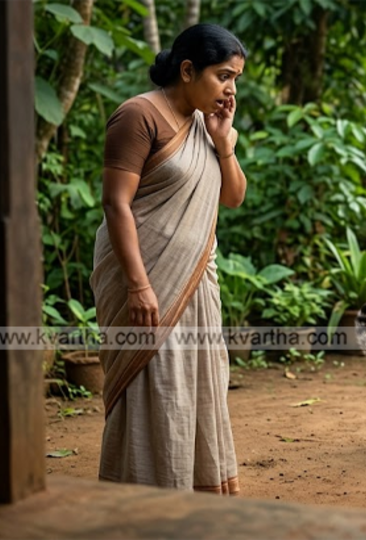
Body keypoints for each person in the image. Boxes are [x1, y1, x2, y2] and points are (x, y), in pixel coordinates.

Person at [90, 24, 248, 494]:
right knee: (154, 388)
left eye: (235, 78)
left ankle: (195, 497)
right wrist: (139, 284)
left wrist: (223, 143)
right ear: (187, 70)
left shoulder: (207, 123)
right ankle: (142, 501)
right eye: (223, 76)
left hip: (197, 280)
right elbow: (116, 204)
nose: (230, 89)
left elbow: (234, 197)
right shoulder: (139, 115)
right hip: (144, 277)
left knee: (198, 386)